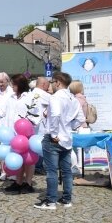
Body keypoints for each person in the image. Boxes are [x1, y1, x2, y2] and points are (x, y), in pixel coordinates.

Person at [34, 72, 86, 210]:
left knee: (51, 171)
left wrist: (54, 133)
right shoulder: (73, 98)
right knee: (66, 171)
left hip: (54, 138)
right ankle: (66, 199)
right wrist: (69, 127)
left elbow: (56, 114)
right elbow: (81, 119)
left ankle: (51, 201)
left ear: (57, 82)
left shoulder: (55, 97)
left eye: (52, 82)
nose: (51, 84)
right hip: (67, 138)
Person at [4, 74, 35, 193]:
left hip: (26, 132)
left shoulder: (29, 97)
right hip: (13, 131)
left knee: (28, 158)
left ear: (20, 85)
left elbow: (34, 114)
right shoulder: (11, 97)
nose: (12, 87)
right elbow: (5, 113)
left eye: (14, 84)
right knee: (17, 156)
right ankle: (18, 182)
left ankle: (28, 183)